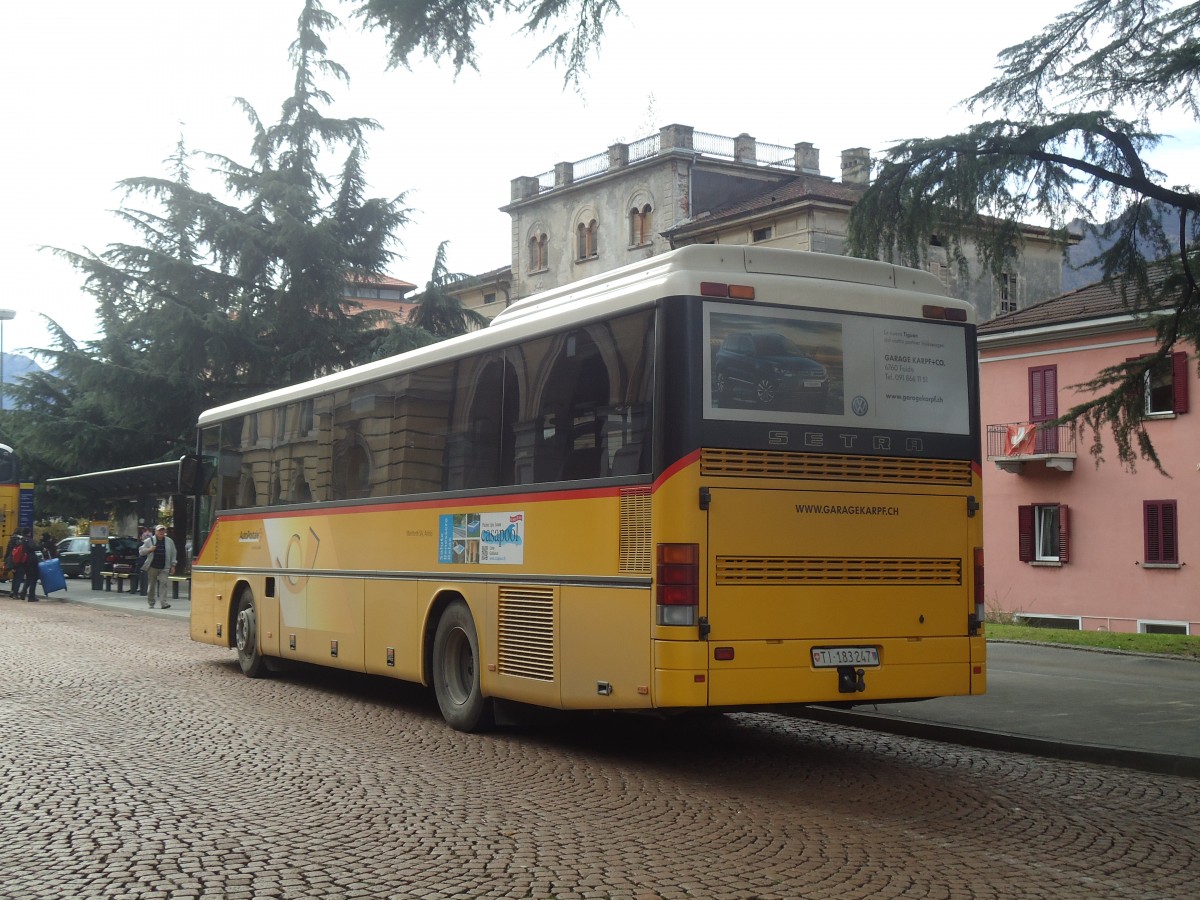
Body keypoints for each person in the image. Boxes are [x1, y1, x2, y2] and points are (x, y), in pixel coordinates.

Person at [141, 524, 177, 609]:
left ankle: (163, 603)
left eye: (163, 530)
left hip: (165, 566)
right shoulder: (149, 541)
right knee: (152, 585)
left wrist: (173, 565)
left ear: (165, 531)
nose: (161, 532)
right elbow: (141, 551)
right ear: (155, 532)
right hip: (152, 566)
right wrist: (149, 550)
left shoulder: (169, 541)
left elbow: (173, 553)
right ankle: (151, 602)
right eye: (159, 530)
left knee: (164, 584)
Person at [18, 528, 41, 602]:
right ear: (29, 533)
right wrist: (41, 547)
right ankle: (31, 596)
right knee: (33, 578)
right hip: (31, 560)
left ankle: (23, 593)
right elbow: (33, 547)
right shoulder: (29, 540)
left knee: (28, 577)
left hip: (24, 561)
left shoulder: (21, 540)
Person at [5, 530, 23, 599]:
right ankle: (15, 593)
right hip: (18, 561)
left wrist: (6, 560)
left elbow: (7, 551)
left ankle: (12, 591)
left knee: (14, 577)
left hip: (11, 561)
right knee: (18, 578)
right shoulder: (20, 540)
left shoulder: (11, 540)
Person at [133, 526, 150, 595]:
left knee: (139, 573)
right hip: (142, 560)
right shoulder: (144, 538)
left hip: (142, 560)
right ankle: (138, 588)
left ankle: (138, 588)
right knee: (138, 574)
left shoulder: (144, 540)